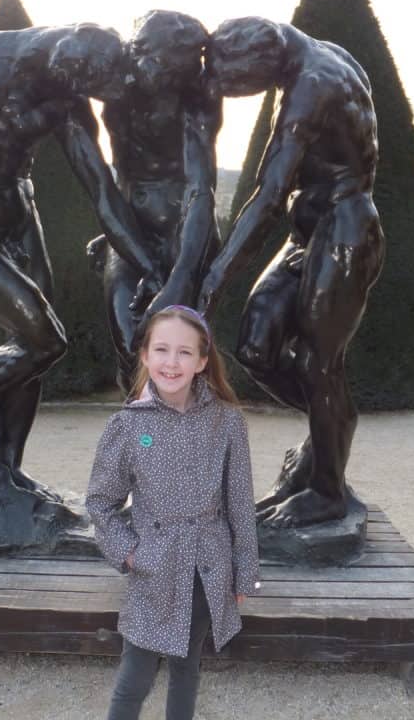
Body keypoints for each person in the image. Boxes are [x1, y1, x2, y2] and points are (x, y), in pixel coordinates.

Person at [0, 24, 162, 494]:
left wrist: (151, 268)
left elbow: (102, 192)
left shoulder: (67, 100)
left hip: (19, 217)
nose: (88, 100)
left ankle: (9, 470)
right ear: (65, 65)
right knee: (44, 339)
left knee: (31, 343)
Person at [197, 17, 385, 529]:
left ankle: (326, 490)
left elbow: (269, 194)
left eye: (238, 86)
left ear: (260, 65)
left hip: (344, 228)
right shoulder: (317, 54)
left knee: (319, 365)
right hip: (310, 232)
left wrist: (214, 276)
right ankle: (328, 432)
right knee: (256, 346)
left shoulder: (311, 84)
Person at [86, 305, 259, 720]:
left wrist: (244, 566)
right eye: (161, 349)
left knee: (187, 667)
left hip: (207, 567)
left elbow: (240, 501)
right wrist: (131, 554)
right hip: (155, 571)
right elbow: (100, 502)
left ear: (201, 361)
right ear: (145, 355)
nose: (172, 361)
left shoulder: (227, 422)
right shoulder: (127, 426)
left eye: (184, 352)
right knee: (134, 679)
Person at [89, 11, 222, 391]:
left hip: (186, 230)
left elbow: (201, 190)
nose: (151, 70)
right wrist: (113, 231)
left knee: (183, 351)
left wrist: (182, 274)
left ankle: (184, 443)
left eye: (165, 66)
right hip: (133, 227)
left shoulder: (198, 100)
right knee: (129, 339)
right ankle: (141, 437)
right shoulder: (115, 88)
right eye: (146, 55)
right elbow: (114, 174)